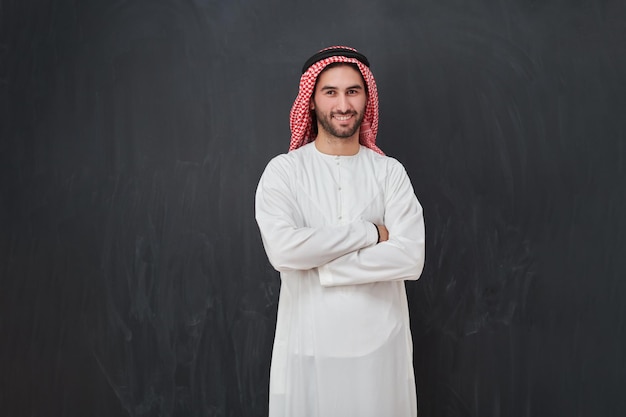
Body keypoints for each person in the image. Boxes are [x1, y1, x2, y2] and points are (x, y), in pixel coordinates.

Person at [255, 46, 425, 417]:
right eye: (330, 92)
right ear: (311, 101)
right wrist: (369, 233)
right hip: (309, 349)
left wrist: (324, 266)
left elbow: (411, 257)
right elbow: (284, 251)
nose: (343, 104)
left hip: (381, 353)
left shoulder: (389, 173)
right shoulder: (284, 172)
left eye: (353, 91)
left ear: (367, 99)